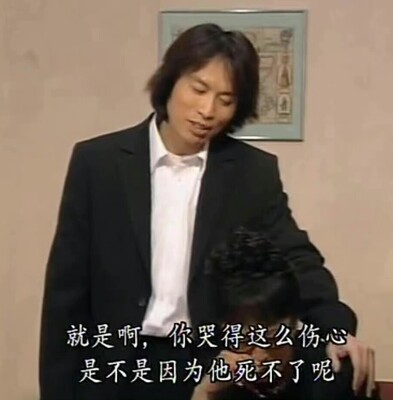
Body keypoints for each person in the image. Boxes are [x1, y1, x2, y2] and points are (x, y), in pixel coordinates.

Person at [39, 23, 374, 400]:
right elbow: (65, 293)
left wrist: (333, 327)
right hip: (118, 364)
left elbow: (297, 259)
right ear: (170, 81)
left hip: (206, 362)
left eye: (225, 99)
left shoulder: (251, 172)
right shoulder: (98, 163)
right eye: (198, 89)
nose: (207, 111)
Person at [191, 227, 379, 400]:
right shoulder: (203, 369)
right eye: (245, 341)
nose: (261, 355)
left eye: (274, 338)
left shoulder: (335, 374)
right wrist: (205, 393)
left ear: (295, 322)